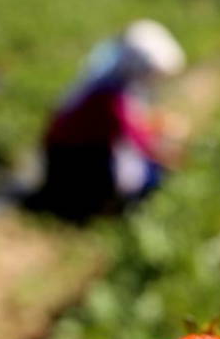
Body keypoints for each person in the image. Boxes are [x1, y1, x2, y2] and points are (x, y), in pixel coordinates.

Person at [27, 20, 186, 222]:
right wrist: (166, 150)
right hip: (72, 162)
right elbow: (138, 140)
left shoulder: (103, 84)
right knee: (151, 173)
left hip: (68, 155)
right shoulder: (110, 97)